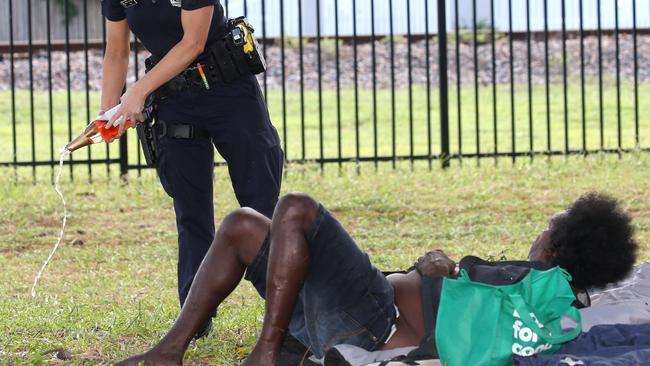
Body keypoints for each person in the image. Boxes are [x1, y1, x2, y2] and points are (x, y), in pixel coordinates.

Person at [115, 192, 638, 365]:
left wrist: (440, 268)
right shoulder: (534, 292)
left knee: (294, 210)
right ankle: (169, 351)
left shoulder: (542, 282)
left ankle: (267, 351)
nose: (541, 231)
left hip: (375, 318)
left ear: (561, 246)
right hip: (351, 316)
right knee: (243, 227)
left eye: (551, 227)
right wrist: (443, 270)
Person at [100, 0, 284, 336]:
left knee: (260, 205)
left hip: (229, 90)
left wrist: (138, 92)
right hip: (173, 99)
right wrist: (108, 113)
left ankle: (291, 310)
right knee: (191, 212)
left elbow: (193, 42)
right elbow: (116, 52)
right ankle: (195, 320)